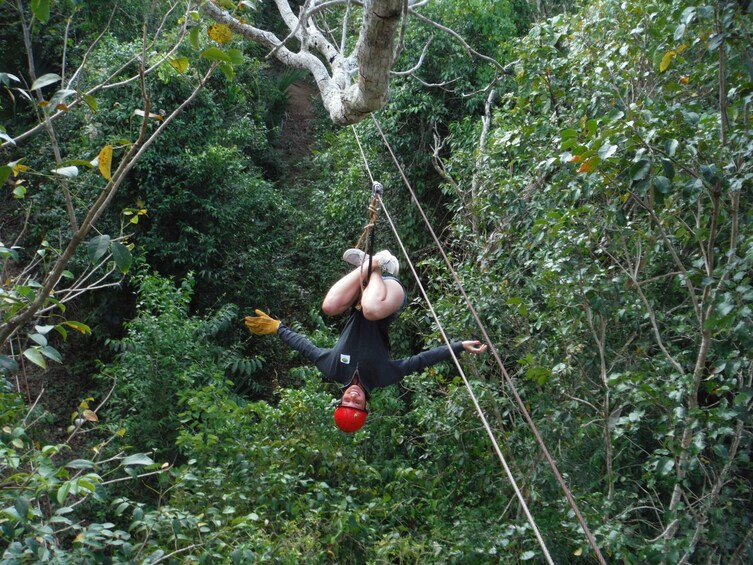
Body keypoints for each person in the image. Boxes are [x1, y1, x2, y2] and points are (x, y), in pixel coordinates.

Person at [244, 249, 487, 432]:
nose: (352, 398)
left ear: (340, 400)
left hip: (361, 296)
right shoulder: (382, 376)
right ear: (365, 406)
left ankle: (368, 265)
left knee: (329, 307)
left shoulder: (333, 368)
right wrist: (458, 347)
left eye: (346, 402)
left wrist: (278, 327)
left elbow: (305, 347)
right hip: (388, 297)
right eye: (356, 404)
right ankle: (378, 264)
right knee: (370, 310)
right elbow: (421, 360)